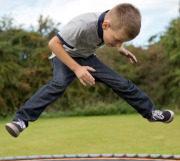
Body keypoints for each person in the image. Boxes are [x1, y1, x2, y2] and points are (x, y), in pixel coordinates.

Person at [5, 3, 174, 138]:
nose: (115, 43)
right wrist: (76, 68)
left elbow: (117, 32)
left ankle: (151, 113)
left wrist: (120, 47)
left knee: (121, 83)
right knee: (59, 83)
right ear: (105, 25)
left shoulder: (113, 23)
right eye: (116, 40)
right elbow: (53, 44)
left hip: (87, 56)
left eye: (120, 41)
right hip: (64, 55)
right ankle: (21, 120)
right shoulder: (83, 25)